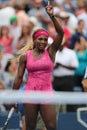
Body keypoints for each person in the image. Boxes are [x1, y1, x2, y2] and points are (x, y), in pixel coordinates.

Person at [12, 1, 64, 130]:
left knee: (51, 127)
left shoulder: (51, 52)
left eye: (45, 40)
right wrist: (13, 97)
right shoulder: (25, 56)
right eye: (40, 39)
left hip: (47, 94)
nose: (43, 42)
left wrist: (51, 16)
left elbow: (61, 33)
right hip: (30, 94)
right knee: (30, 127)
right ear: (34, 40)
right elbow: (18, 78)